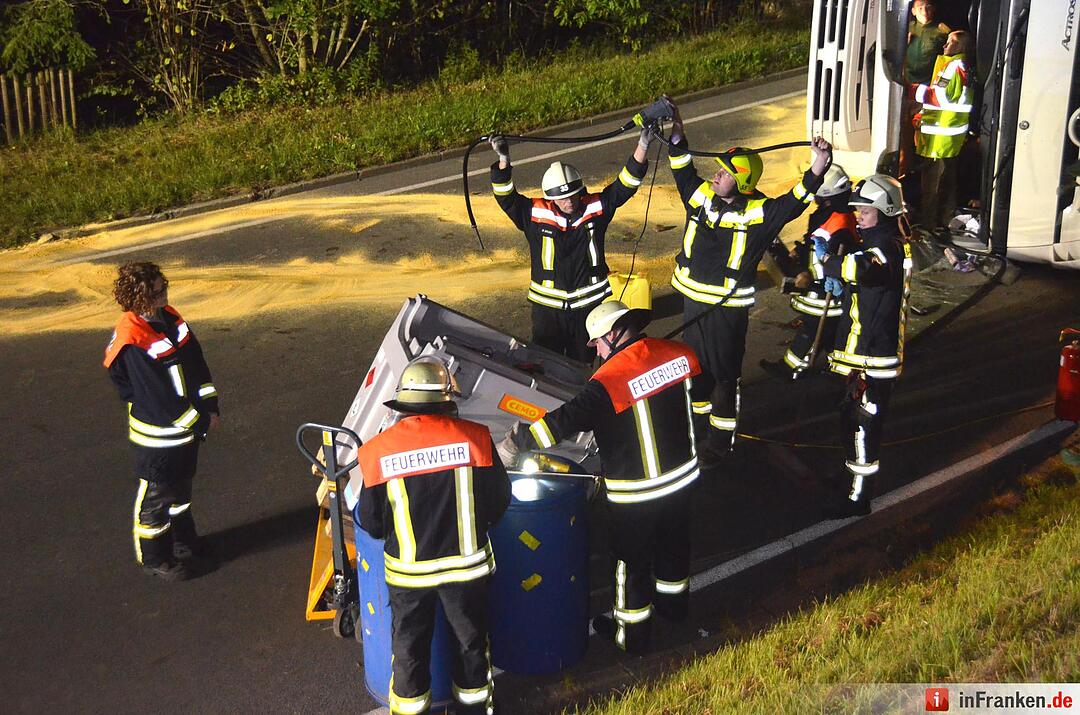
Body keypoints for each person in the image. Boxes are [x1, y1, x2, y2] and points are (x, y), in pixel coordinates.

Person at [498, 300, 701, 654]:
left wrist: (521, 442)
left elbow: (566, 421)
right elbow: (701, 397)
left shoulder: (608, 382)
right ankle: (674, 609)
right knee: (674, 546)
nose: (597, 351)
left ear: (613, 333)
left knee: (630, 563)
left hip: (636, 493)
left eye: (598, 344)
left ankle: (631, 635)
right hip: (683, 479)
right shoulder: (680, 354)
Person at [665, 97, 833, 463]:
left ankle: (719, 445)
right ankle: (694, 436)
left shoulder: (760, 213)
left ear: (741, 182)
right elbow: (682, 167)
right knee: (693, 374)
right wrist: (677, 128)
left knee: (724, 379)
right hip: (695, 304)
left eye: (724, 172)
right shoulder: (702, 196)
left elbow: (795, 200)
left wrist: (818, 166)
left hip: (726, 311)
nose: (716, 175)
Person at [358, 356, 510, 715]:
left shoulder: (378, 451)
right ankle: (475, 710)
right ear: (446, 400)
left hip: (408, 575)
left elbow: (370, 521)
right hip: (467, 570)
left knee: (409, 650)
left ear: (404, 404)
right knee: (471, 645)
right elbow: (500, 500)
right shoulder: (477, 440)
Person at [489, 126, 653, 362]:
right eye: (562, 198)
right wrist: (503, 159)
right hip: (548, 311)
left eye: (573, 196)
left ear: (580, 191)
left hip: (588, 308)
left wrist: (643, 145)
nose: (568, 202)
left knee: (583, 365)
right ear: (551, 198)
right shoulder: (534, 213)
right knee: (545, 364)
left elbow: (625, 185)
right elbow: (505, 196)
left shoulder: (595, 209)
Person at [104, 262, 220, 581]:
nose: (164, 293)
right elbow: (158, 398)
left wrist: (210, 405)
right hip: (159, 438)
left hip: (184, 432)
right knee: (157, 498)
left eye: (163, 286)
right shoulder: (134, 340)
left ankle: (183, 540)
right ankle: (156, 558)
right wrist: (198, 422)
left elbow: (196, 362)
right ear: (138, 298)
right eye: (156, 291)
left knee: (181, 492)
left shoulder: (169, 318)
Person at [810, 175, 913, 519]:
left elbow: (865, 269)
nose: (858, 216)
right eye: (856, 210)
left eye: (864, 211)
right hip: (860, 355)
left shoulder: (886, 247)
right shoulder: (876, 240)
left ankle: (857, 498)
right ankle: (849, 478)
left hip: (873, 359)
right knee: (849, 422)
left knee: (862, 427)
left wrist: (829, 263)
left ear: (883, 210)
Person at [761, 165, 859, 380]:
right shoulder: (829, 214)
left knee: (810, 332)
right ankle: (839, 370)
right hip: (821, 289)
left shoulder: (840, 222)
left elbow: (834, 258)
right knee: (828, 336)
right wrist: (801, 250)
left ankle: (789, 368)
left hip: (825, 294)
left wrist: (808, 276)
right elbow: (815, 239)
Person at [914, 29, 974, 231]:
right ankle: (946, 222)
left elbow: (940, 98)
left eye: (949, 42)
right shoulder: (963, 66)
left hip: (938, 140)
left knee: (931, 189)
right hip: (949, 139)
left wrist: (912, 90)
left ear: (959, 46)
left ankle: (928, 230)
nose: (944, 45)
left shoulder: (953, 66)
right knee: (948, 185)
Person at [901, 0, 951, 175]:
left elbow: (959, 42)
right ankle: (905, 174)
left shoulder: (942, 29)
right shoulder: (906, 28)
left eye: (928, 6)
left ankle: (926, 174)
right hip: (907, 89)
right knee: (904, 137)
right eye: (920, 8)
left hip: (928, 91)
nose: (925, 11)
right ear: (913, 11)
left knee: (925, 135)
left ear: (934, 8)